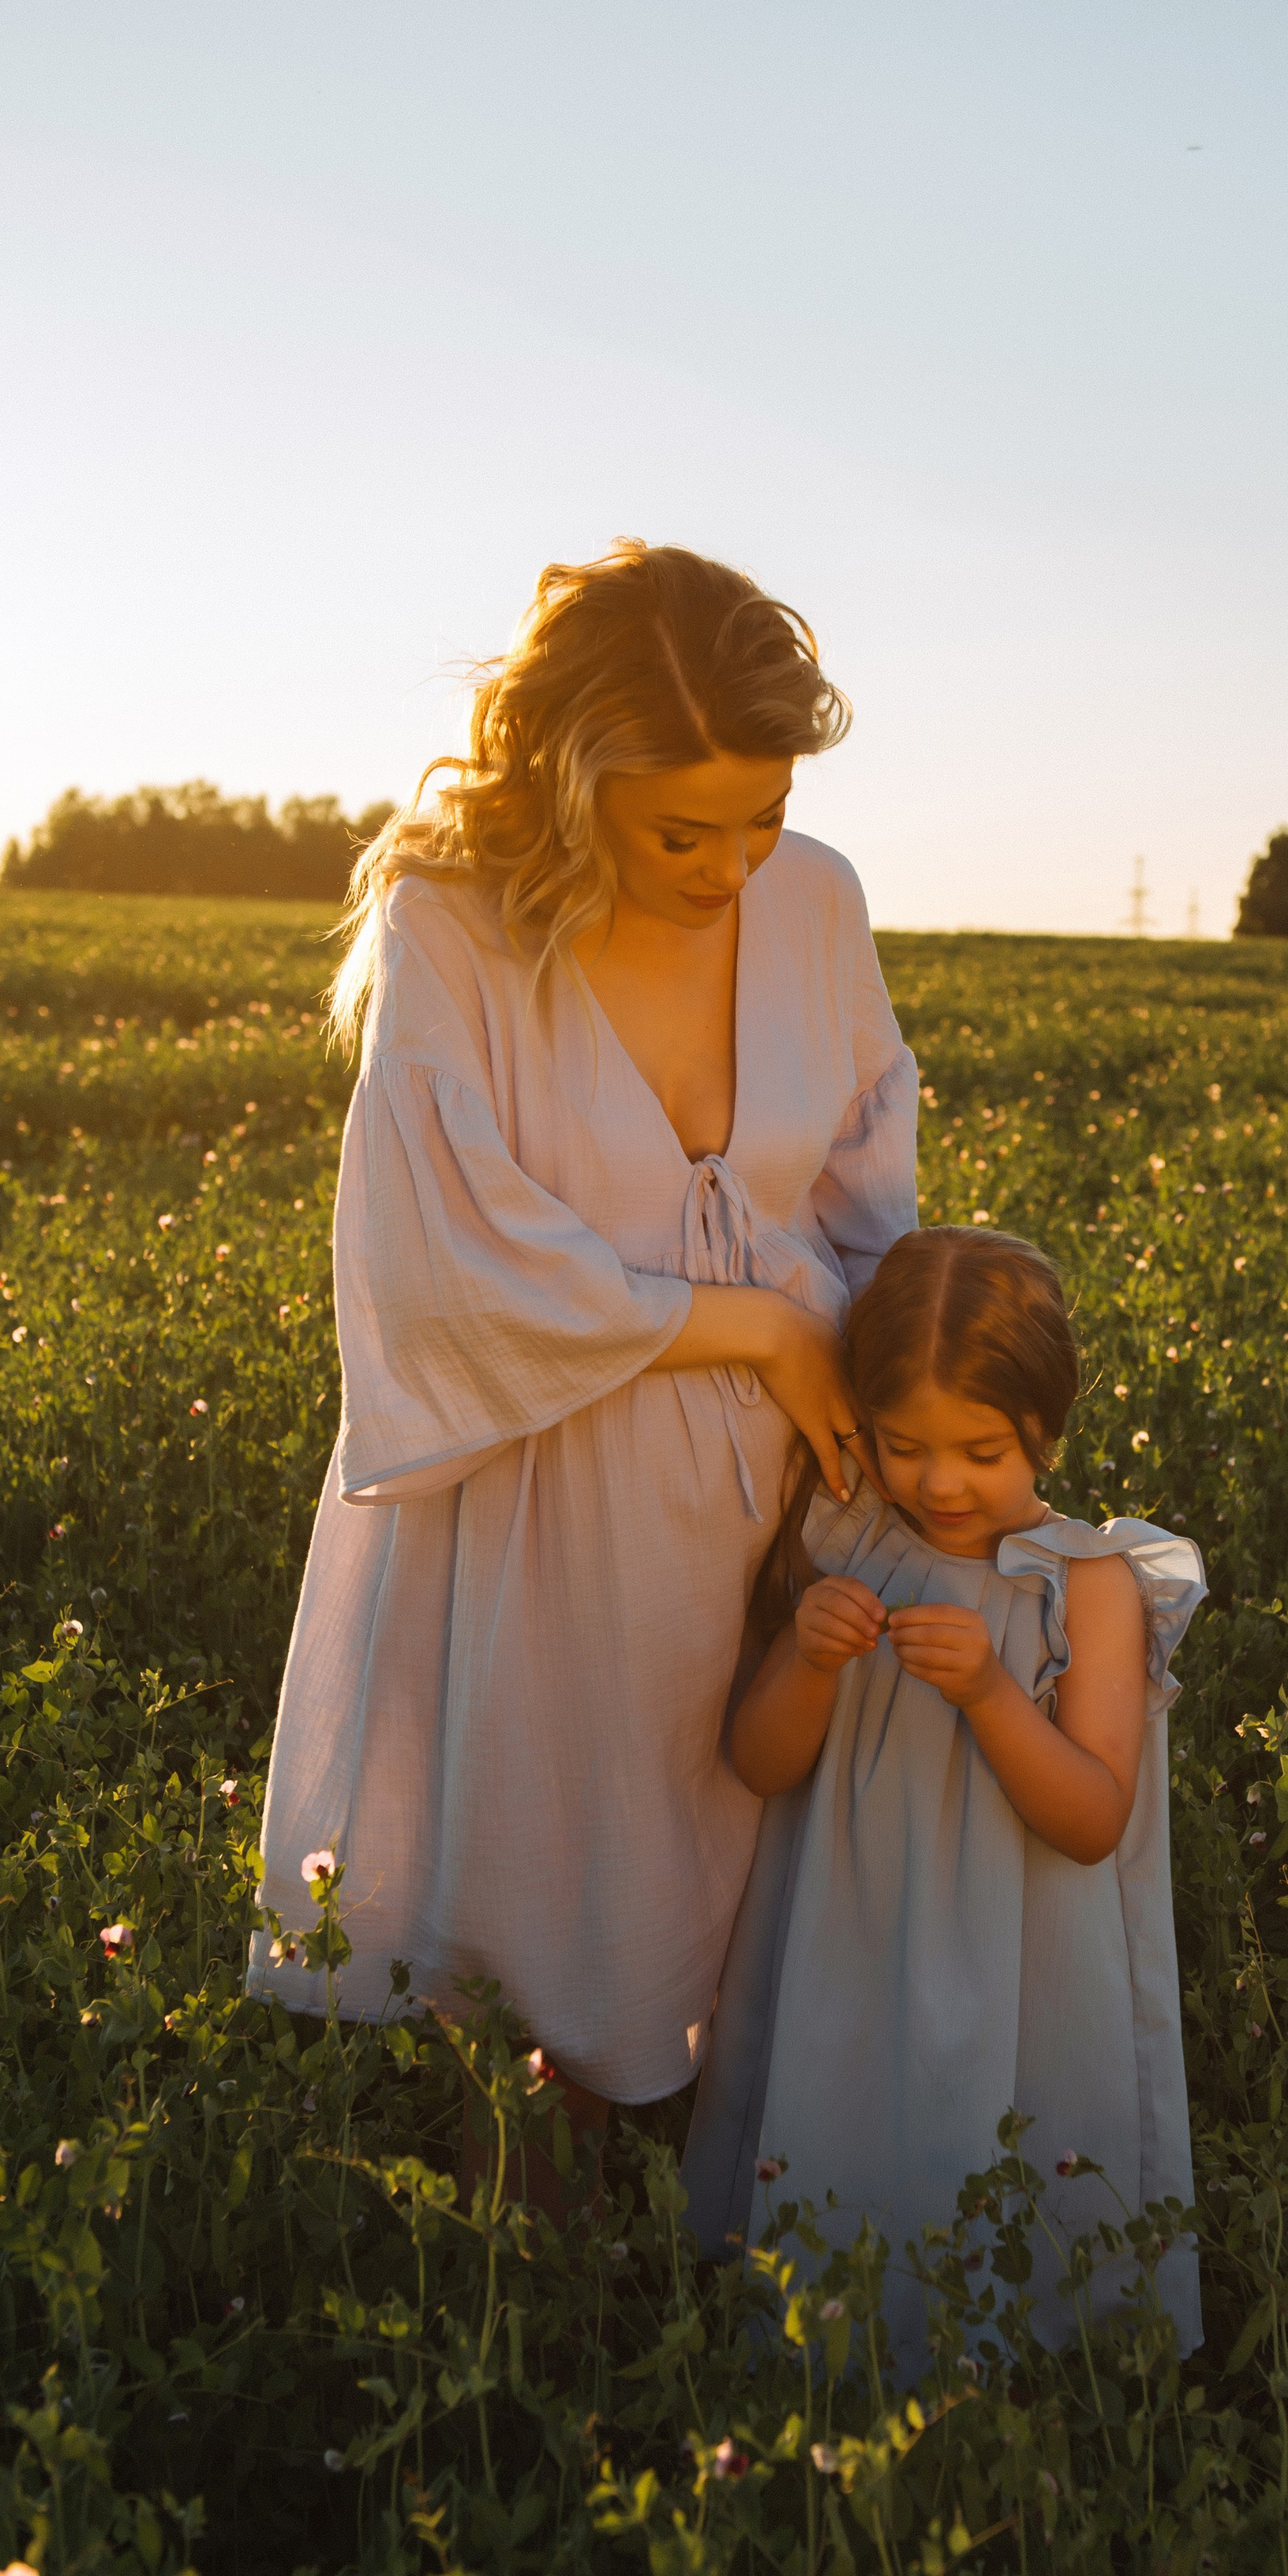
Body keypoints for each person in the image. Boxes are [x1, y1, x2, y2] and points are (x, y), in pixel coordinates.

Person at [249, 542, 919, 2168]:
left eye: (759, 816)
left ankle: (712, 2201)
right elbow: (439, 1253)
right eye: (681, 830)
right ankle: (516, 2228)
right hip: (542, 1469)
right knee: (549, 1875)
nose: (731, 864)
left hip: (779, 1472)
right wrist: (750, 1323)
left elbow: (860, 1178)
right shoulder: (453, 913)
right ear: (567, 781)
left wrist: (884, 1389)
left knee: (746, 1835)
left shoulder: (813, 896)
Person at [681, 1226, 1206, 2379]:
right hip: (851, 1941)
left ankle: (1009, 2366)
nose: (938, 1483)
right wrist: (806, 1662)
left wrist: (989, 1691)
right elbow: (760, 1765)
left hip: (1021, 1965)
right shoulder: (846, 1540)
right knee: (843, 2127)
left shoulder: (1090, 1586)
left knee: (1000, 2155)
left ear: (1048, 1430)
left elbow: (1091, 1820)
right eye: (902, 1444)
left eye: (980, 1449)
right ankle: (822, 2349)